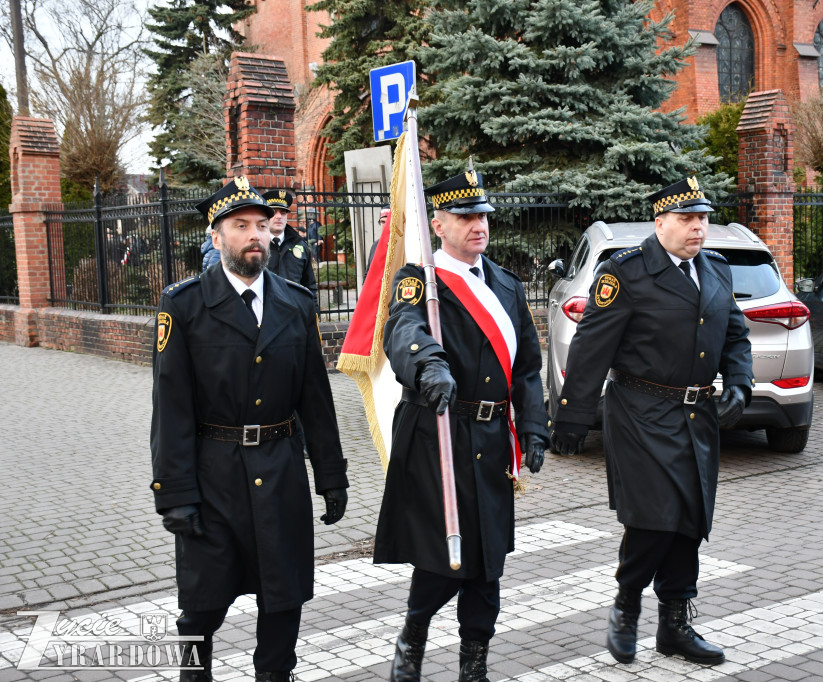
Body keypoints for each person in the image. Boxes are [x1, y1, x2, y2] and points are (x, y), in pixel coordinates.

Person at [150, 176, 350, 682]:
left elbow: (315, 400)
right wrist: (174, 493)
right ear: (216, 238)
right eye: (240, 226)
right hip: (213, 476)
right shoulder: (185, 306)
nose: (254, 235)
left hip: (281, 471)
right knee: (202, 606)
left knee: (283, 601)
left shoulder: (296, 303)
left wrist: (331, 475)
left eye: (261, 225)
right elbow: (170, 408)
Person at [550, 176, 754, 667]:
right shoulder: (626, 274)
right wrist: (571, 420)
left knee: (689, 518)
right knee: (654, 518)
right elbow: (590, 349)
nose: (698, 228)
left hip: (696, 414)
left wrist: (741, 385)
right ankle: (626, 605)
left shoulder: (717, 271)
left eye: (703, 218)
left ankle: (675, 624)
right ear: (659, 221)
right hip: (640, 412)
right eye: (687, 219)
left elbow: (735, 337)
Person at [376, 169, 548, 682]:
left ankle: (474, 661)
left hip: (493, 438)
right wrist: (428, 363)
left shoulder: (507, 285)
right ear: (439, 224)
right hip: (438, 433)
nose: (479, 226)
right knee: (443, 552)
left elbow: (528, 369)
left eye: (483, 216)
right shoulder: (420, 282)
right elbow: (401, 328)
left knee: (488, 557)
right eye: (466, 216)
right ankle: (413, 635)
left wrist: (534, 428)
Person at [262, 189, 317, 295]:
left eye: (283, 213)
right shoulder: (257, 246)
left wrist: (313, 311)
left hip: (295, 309)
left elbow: (310, 286)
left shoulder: (300, 245)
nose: (279, 216)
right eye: (274, 212)